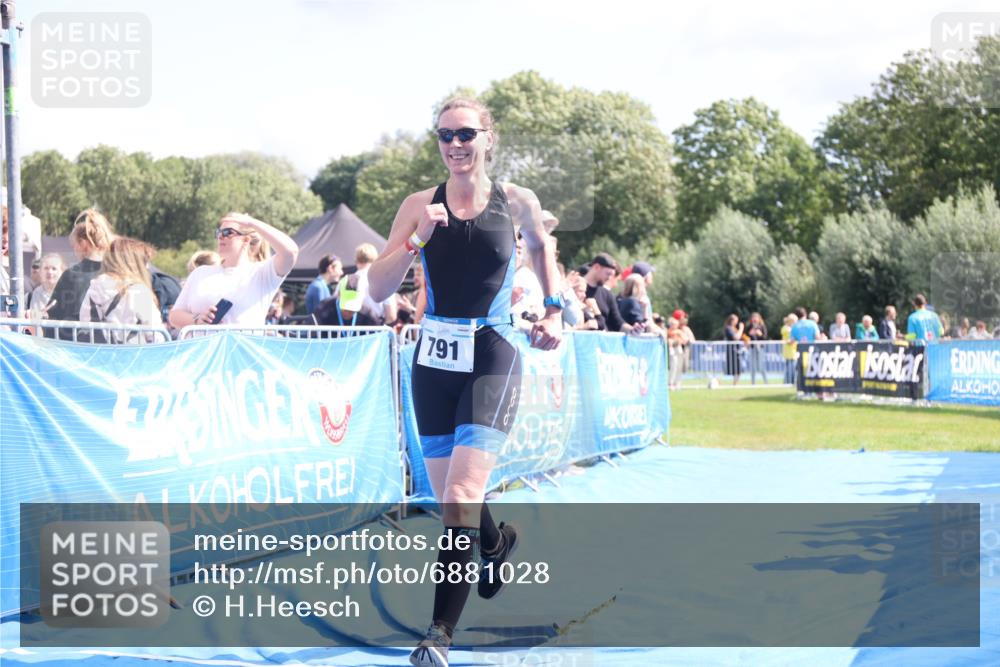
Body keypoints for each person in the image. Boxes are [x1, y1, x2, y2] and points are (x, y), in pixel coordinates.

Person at [366, 97, 561, 667]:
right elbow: (377, 289)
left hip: (492, 352)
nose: (455, 143)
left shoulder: (517, 201)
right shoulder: (417, 204)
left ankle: (437, 636)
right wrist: (416, 240)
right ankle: (495, 544)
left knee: (457, 498)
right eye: (445, 134)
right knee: (453, 496)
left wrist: (553, 311)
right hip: (432, 359)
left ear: (487, 138)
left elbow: (545, 248)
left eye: (465, 133)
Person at [169, 213, 298, 328]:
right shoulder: (200, 273)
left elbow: (290, 252)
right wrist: (197, 320)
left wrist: (252, 222)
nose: (221, 236)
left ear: (246, 240)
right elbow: (174, 316)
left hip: (240, 353)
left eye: (228, 232)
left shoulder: (262, 273)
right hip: (203, 353)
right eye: (219, 232)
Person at [79, 237, 162, 343]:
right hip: (133, 355)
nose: (148, 266)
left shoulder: (95, 285)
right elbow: (155, 334)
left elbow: (85, 321)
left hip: (98, 354)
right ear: (134, 263)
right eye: (144, 261)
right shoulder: (138, 291)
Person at [46, 209, 114, 330]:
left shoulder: (71, 275)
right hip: (113, 344)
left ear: (83, 244)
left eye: (74, 246)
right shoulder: (117, 272)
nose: (74, 250)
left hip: (76, 344)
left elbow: (52, 315)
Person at [583, 253, 642, 333]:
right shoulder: (578, 289)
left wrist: (632, 329)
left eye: (612, 275)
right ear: (596, 267)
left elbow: (618, 322)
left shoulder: (607, 294)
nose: (609, 278)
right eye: (608, 274)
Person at [745, 312, 768, 385]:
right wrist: (749, 334)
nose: (754, 319)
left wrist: (760, 334)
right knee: (753, 367)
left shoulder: (762, 326)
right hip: (752, 348)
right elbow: (745, 336)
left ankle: (766, 382)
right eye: (753, 318)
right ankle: (753, 383)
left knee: (761, 366)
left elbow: (765, 337)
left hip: (760, 348)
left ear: (759, 319)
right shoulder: (749, 327)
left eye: (756, 318)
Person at [723, 313, 744, 385]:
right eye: (736, 321)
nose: (737, 322)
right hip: (732, 351)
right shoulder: (728, 328)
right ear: (732, 321)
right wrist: (741, 328)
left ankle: (735, 384)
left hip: (737, 350)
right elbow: (736, 337)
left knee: (738, 369)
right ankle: (734, 384)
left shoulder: (734, 328)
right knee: (735, 369)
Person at [781, 313, 798, 384]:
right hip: (789, 352)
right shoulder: (786, 328)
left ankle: (790, 382)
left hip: (793, 351)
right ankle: (788, 382)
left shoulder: (789, 328)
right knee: (790, 369)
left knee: (791, 368)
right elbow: (790, 340)